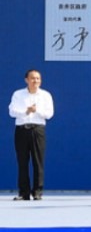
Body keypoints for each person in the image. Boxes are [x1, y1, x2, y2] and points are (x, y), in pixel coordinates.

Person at [9, 69, 54, 201]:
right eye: (33, 78)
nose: (35, 81)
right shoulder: (18, 94)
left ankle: (37, 192)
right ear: (26, 80)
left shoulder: (45, 95)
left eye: (38, 78)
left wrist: (36, 110)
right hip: (22, 129)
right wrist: (26, 111)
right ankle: (24, 193)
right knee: (22, 162)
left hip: (37, 130)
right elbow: (12, 111)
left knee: (38, 162)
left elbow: (49, 114)